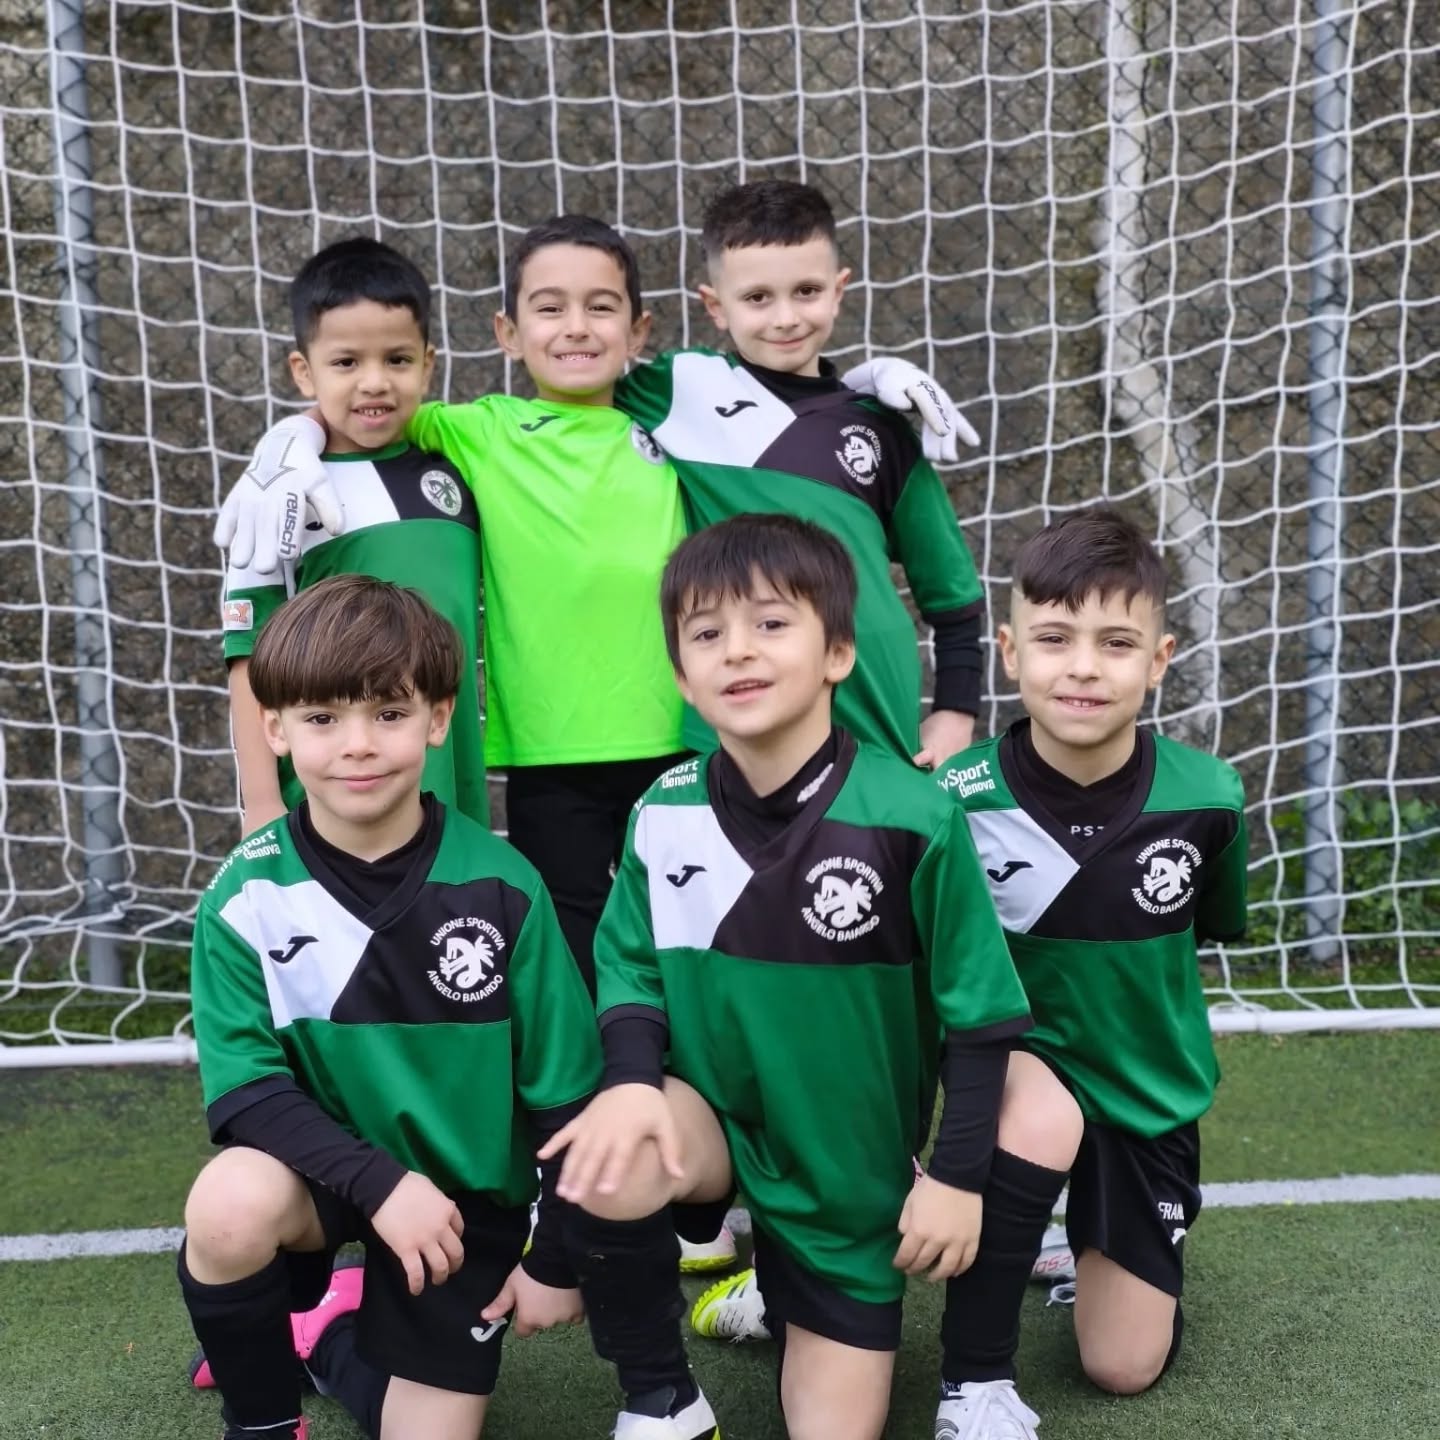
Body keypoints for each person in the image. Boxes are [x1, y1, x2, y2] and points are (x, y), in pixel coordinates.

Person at [543, 514, 1044, 1440]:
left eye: (771, 623)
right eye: (706, 633)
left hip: (843, 1171)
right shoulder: (663, 811)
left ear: (837, 654)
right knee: (612, 1153)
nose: (737, 649)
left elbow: (979, 1019)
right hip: (712, 1124)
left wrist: (955, 1180)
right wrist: (631, 1085)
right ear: (681, 673)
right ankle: (661, 1401)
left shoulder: (911, 817)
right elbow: (629, 971)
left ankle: (785, 1284)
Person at [178, 575, 602, 1440]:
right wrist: (380, 1185)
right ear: (275, 729)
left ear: (439, 719)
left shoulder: (503, 887)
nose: (358, 745)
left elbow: (567, 1099)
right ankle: (261, 1427)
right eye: (322, 719)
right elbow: (245, 1095)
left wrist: (557, 1255)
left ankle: (328, 1338)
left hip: (460, 1205)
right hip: (322, 1179)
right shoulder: (245, 896)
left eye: (389, 713)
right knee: (227, 1204)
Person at [930, 508, 1249, 1438]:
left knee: (1121, 1368)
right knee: (1033, 1105)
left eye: (1115, 643)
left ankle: (1091, 1246)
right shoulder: (953, 800)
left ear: (1158, 660)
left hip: (1146, 1090)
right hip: (1018, 1073)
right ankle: (974, 1382)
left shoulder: (1209, 797)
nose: (1082, 666)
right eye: (1054, 638)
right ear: (1009, 652)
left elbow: (1203, 931)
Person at [615, 178, 987, 769]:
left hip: (875, 728)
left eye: (807, 291)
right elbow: (578, 378)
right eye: (757, 298)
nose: (785, 317)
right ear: (715, 306)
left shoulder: (883, 426)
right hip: (734, 736)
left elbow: (953, 593)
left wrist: (956, 710)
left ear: (839, 291)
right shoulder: (676, 388)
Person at [221, 238, 488, 833]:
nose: (374, 382)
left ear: (428, 364)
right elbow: (247, 657)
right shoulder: (280, 491)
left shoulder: (457, 472)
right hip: (331, 800)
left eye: (397, 360)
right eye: (346, 363)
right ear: (303, 371)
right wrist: (259, 802)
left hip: (447, 787)